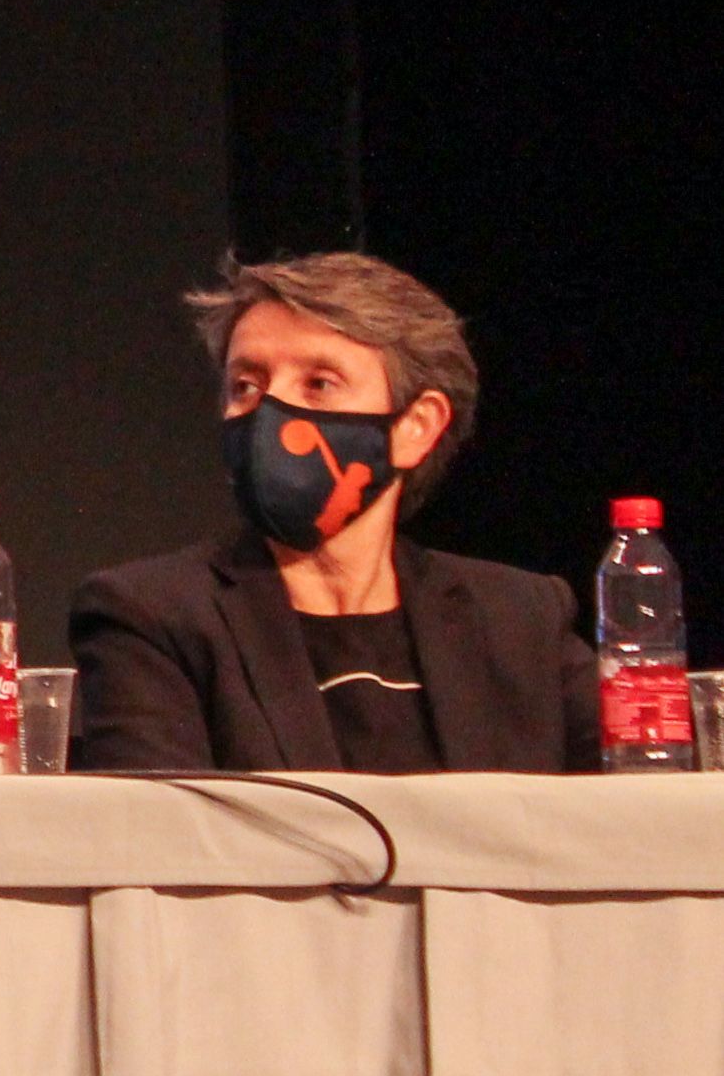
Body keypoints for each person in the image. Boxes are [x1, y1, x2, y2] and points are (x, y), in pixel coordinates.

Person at [70, 253, 601, 774]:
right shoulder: (155, 618)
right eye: (245, 386)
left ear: (416, 426)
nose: (270, 413)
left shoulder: (520, 618)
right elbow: (162, 842)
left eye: (318, 384)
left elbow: (638, 815)